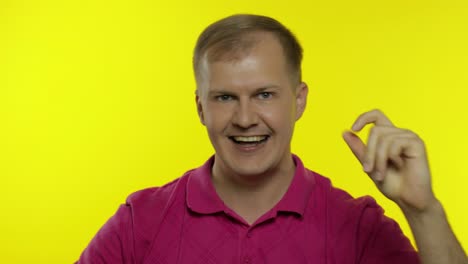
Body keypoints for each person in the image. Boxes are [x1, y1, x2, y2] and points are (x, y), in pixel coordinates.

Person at [76, 14, 467, 264]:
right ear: (200, 108)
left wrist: (422, 209)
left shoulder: (357, 225)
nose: (245, 119)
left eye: (264, 95)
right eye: (225, 97)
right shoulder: (139, 221)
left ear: (299, 100)